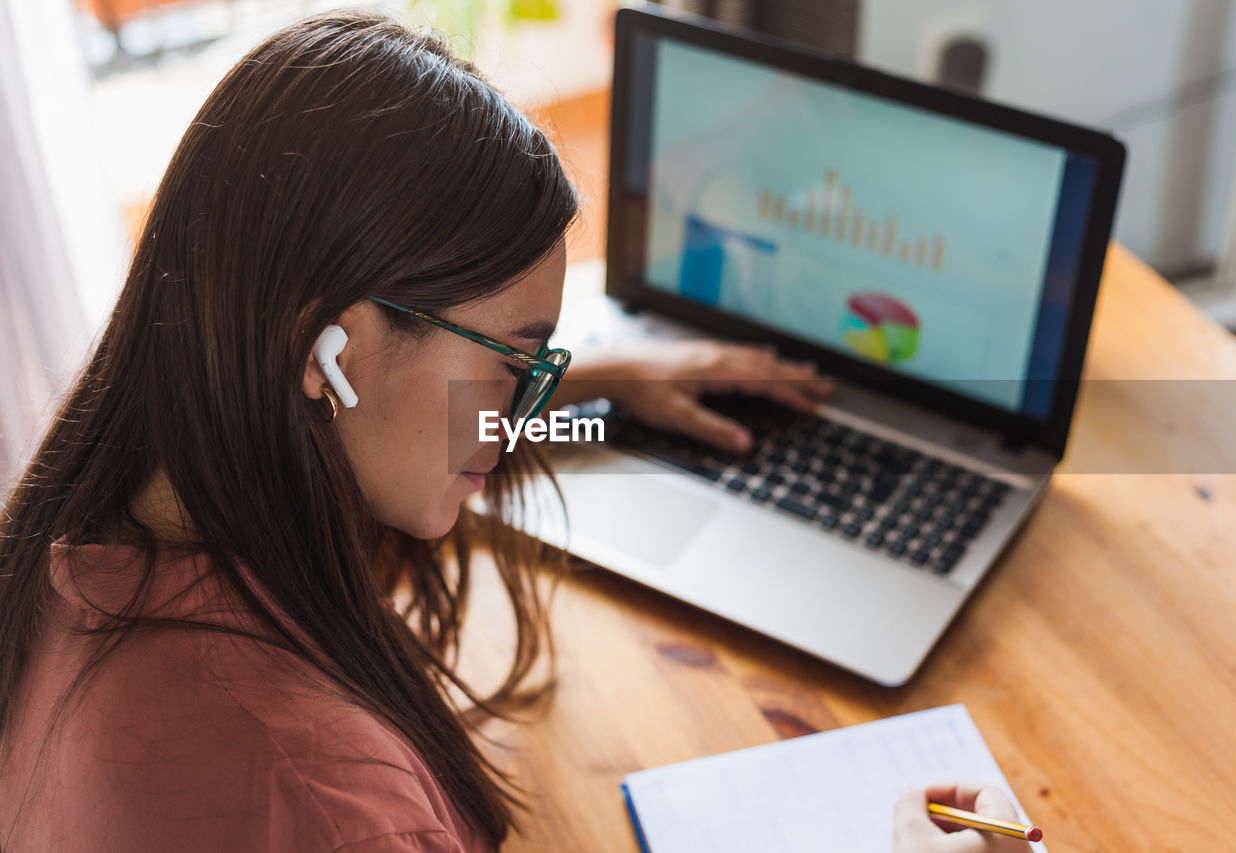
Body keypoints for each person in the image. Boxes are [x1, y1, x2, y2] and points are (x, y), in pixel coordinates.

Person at [0, 9, 1029, 852]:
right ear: (333, 352)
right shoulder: (320, 792)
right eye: (516, 358)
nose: (530, 402)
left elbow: (431, 416)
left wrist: (604, 392)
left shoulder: (103, 529)